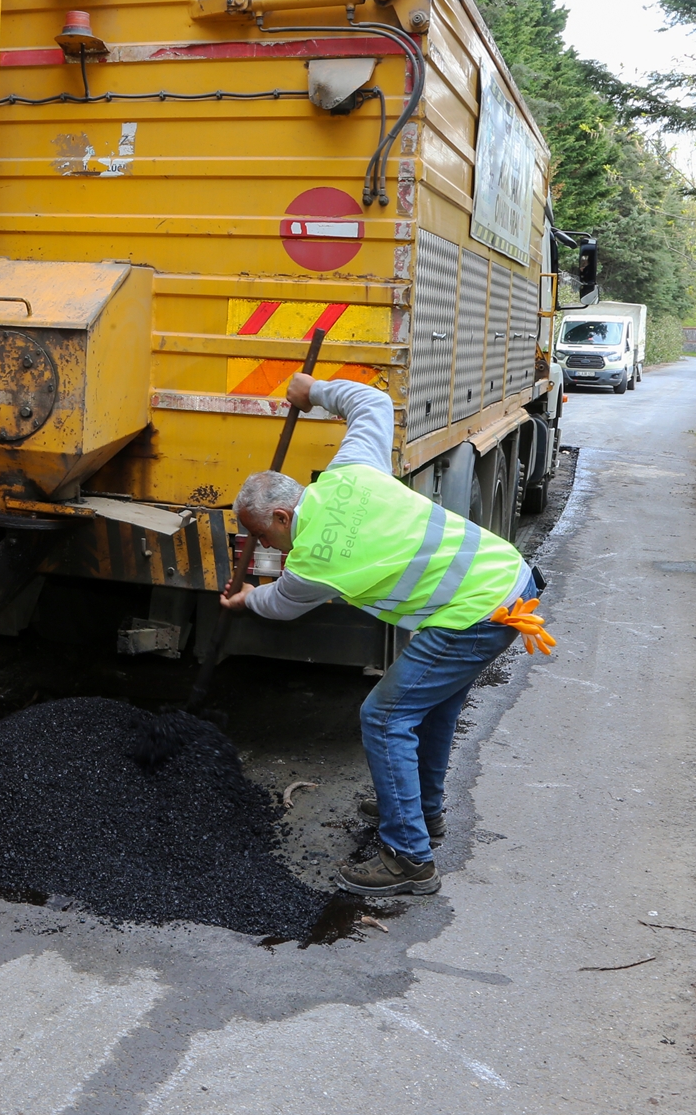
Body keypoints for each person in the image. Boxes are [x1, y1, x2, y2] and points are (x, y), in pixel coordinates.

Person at [225, 374, 553, 896]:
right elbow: (372, 402)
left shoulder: (310, 562)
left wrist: (245, 598)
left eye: (263, 534)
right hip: (506, 579)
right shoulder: (349, 471)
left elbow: (280, 604)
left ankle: (408, 858)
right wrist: (313, 391)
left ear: (283, 515)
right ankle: (422, 810)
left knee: (384, 716)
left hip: (476, 615)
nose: (265, 546)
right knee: (432, 707)